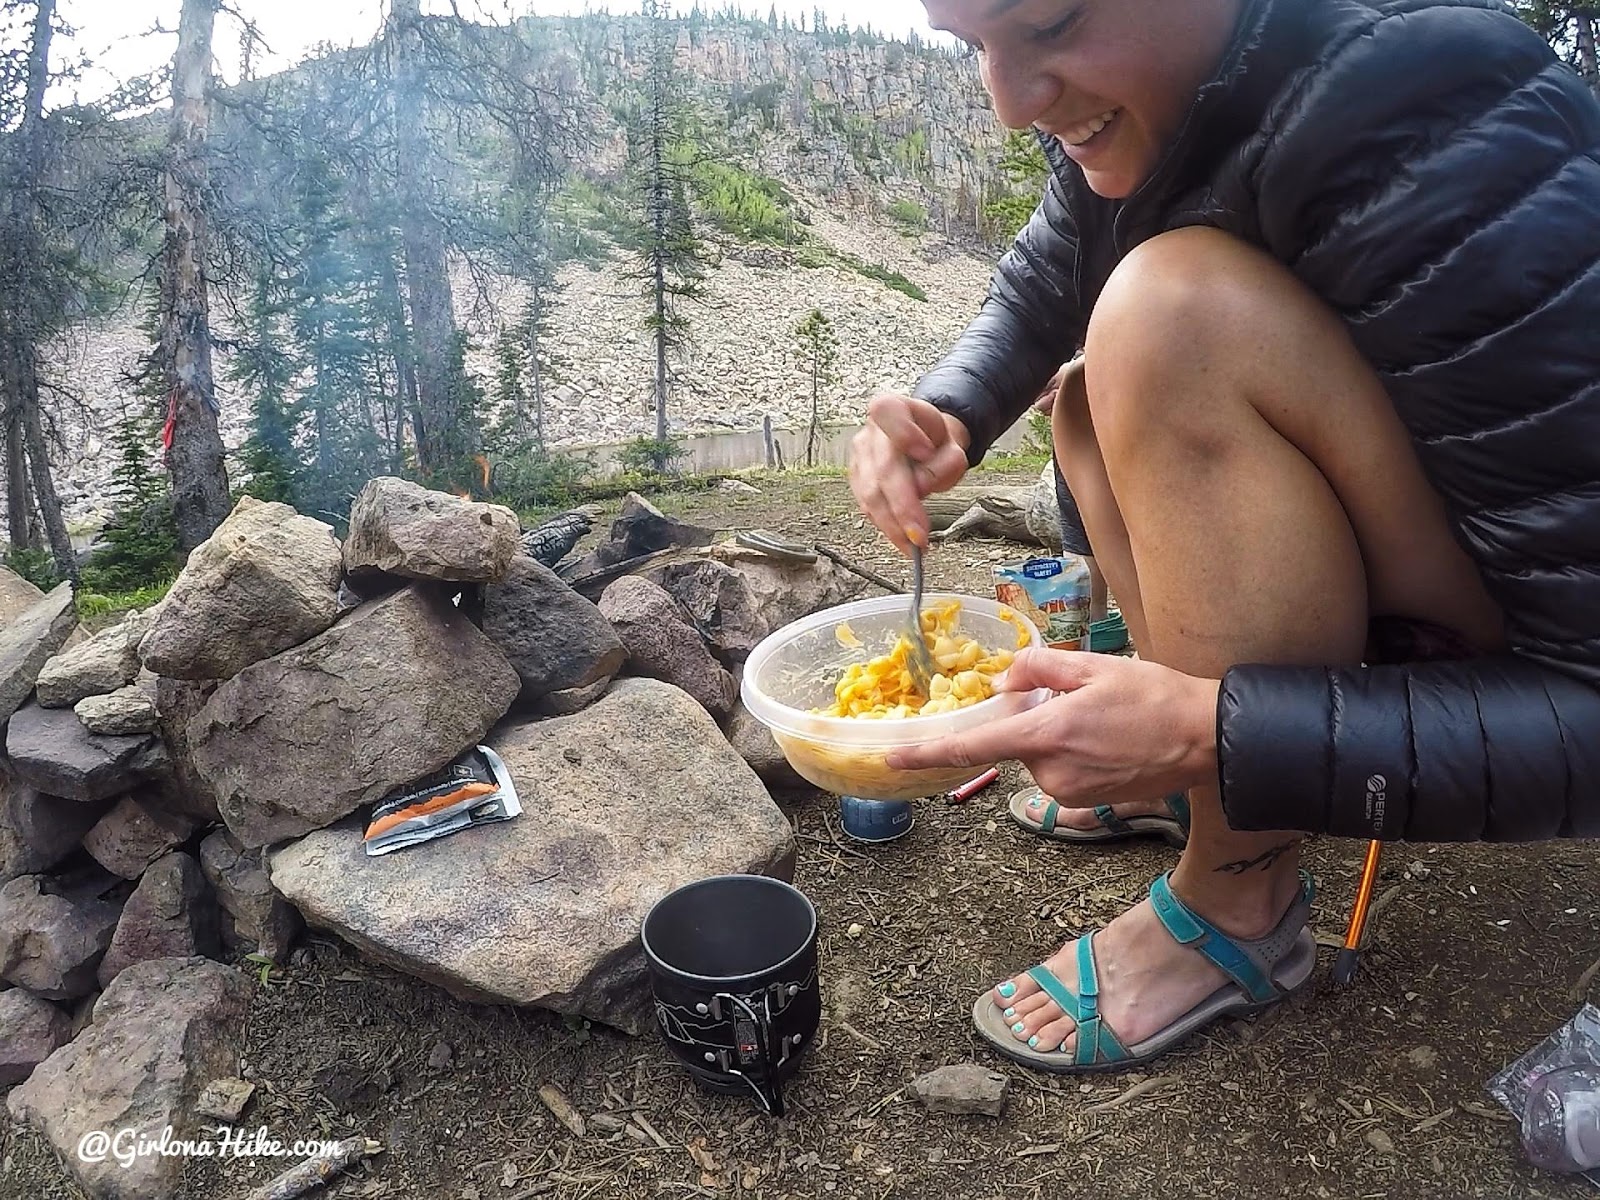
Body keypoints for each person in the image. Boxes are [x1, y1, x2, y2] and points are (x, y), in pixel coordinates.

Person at [848, 0, 1600, 1074]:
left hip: (1518, 637)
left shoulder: (1437, 111)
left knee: (1169, 320)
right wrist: (951, 414)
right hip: (1399, 548)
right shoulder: (1178, 98)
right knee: (1085, 397)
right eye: (974, 49)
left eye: (1052, 22)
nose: (1009, 104)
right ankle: (1178, 778)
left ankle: (1237, 892)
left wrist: (1227, 729)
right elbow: (1047, 275)